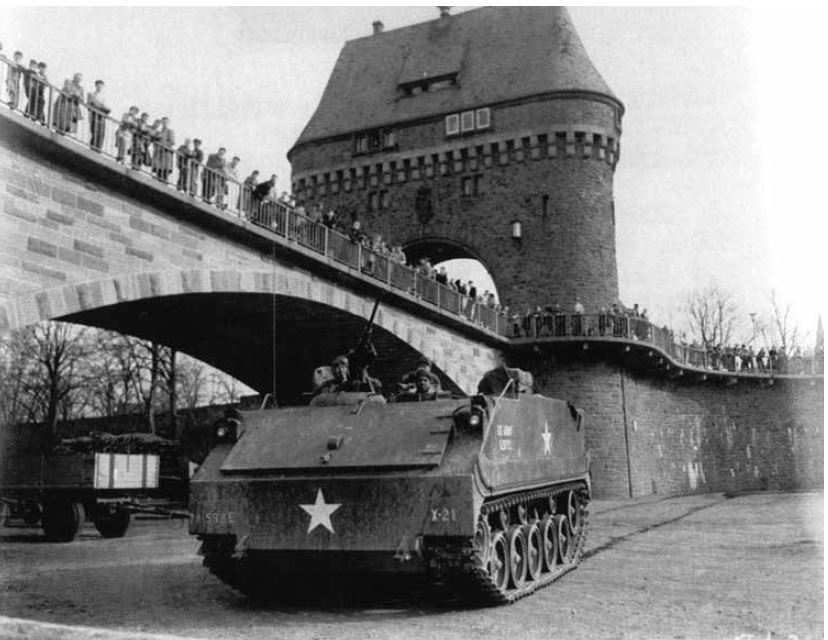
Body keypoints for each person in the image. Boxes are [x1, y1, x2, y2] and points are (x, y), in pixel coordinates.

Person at [86, 79, 109, 151]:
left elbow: (107, 107)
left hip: (102, 115)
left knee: (101, 132)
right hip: (94, 114)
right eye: (98, 86)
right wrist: (98, 105)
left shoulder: (104, 96)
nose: (99, 87)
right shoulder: (92, 94)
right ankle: (93, 147)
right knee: (94, 131)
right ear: (96, 86)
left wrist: (102, 106)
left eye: (101, 86)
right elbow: (89, 104)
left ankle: (99, 148)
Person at [152, 116, 175, 182]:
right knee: (158, 170)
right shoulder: (159, 132)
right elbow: (154, 142)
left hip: (165, 154)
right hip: (158, 154)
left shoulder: (170, 131)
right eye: (163, 122)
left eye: (166, 122)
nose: (164, 123)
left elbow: (172, 142)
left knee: (165, 171)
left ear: (168, 123)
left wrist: (163, 146)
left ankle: (164, 182)